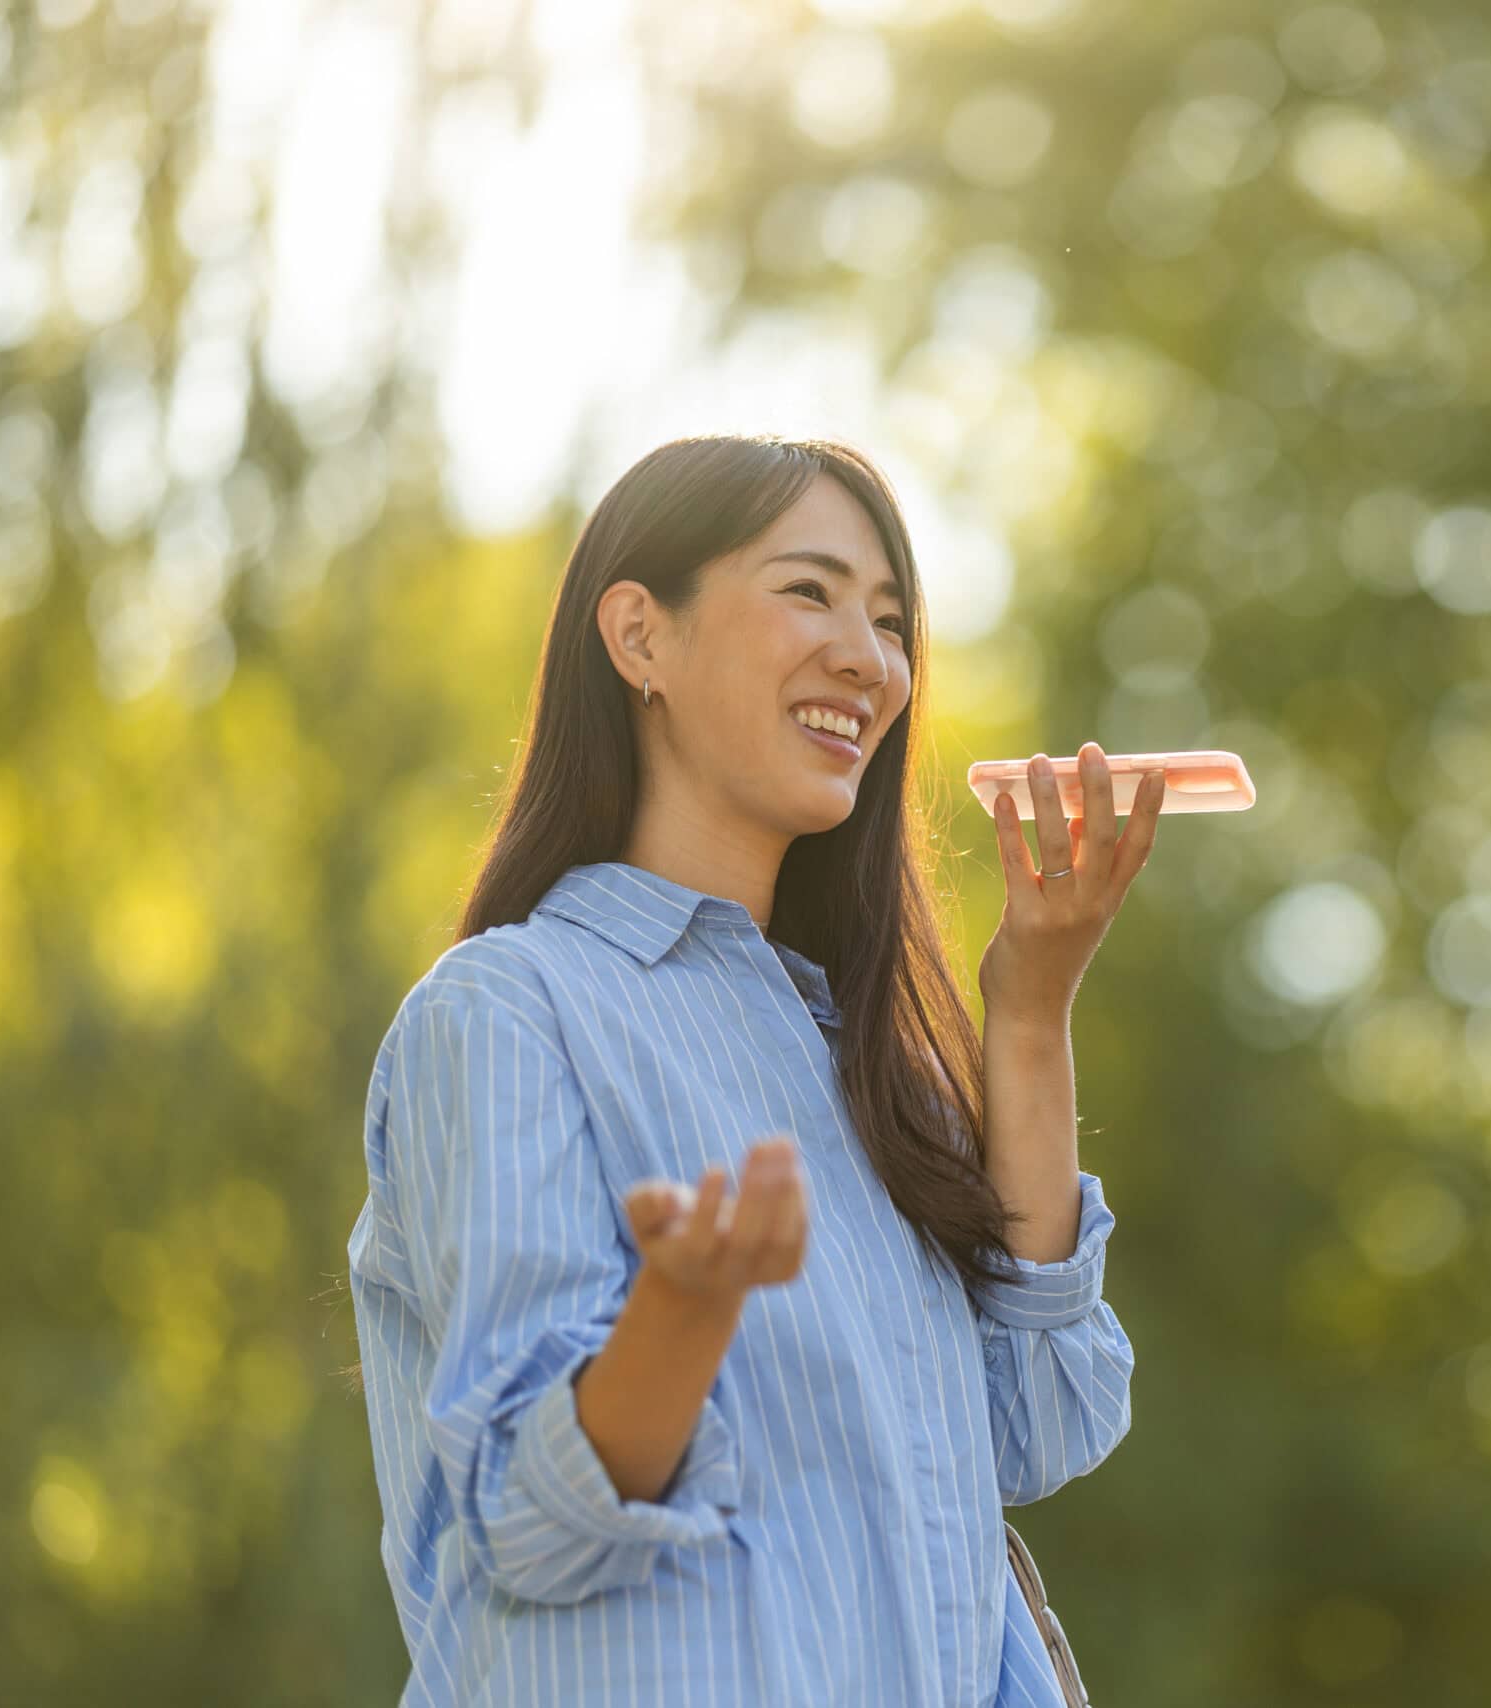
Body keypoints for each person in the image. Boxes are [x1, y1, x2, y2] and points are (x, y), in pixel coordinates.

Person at [345, 433, 1164, 1705]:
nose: (869, 657)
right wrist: (686, 1306)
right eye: (808, 590)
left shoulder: (855, 1060)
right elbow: (527, 1524)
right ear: (640, 638)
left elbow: (1033, 1419)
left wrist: (1030, 1006)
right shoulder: (514, 1008)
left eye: (890, 620)